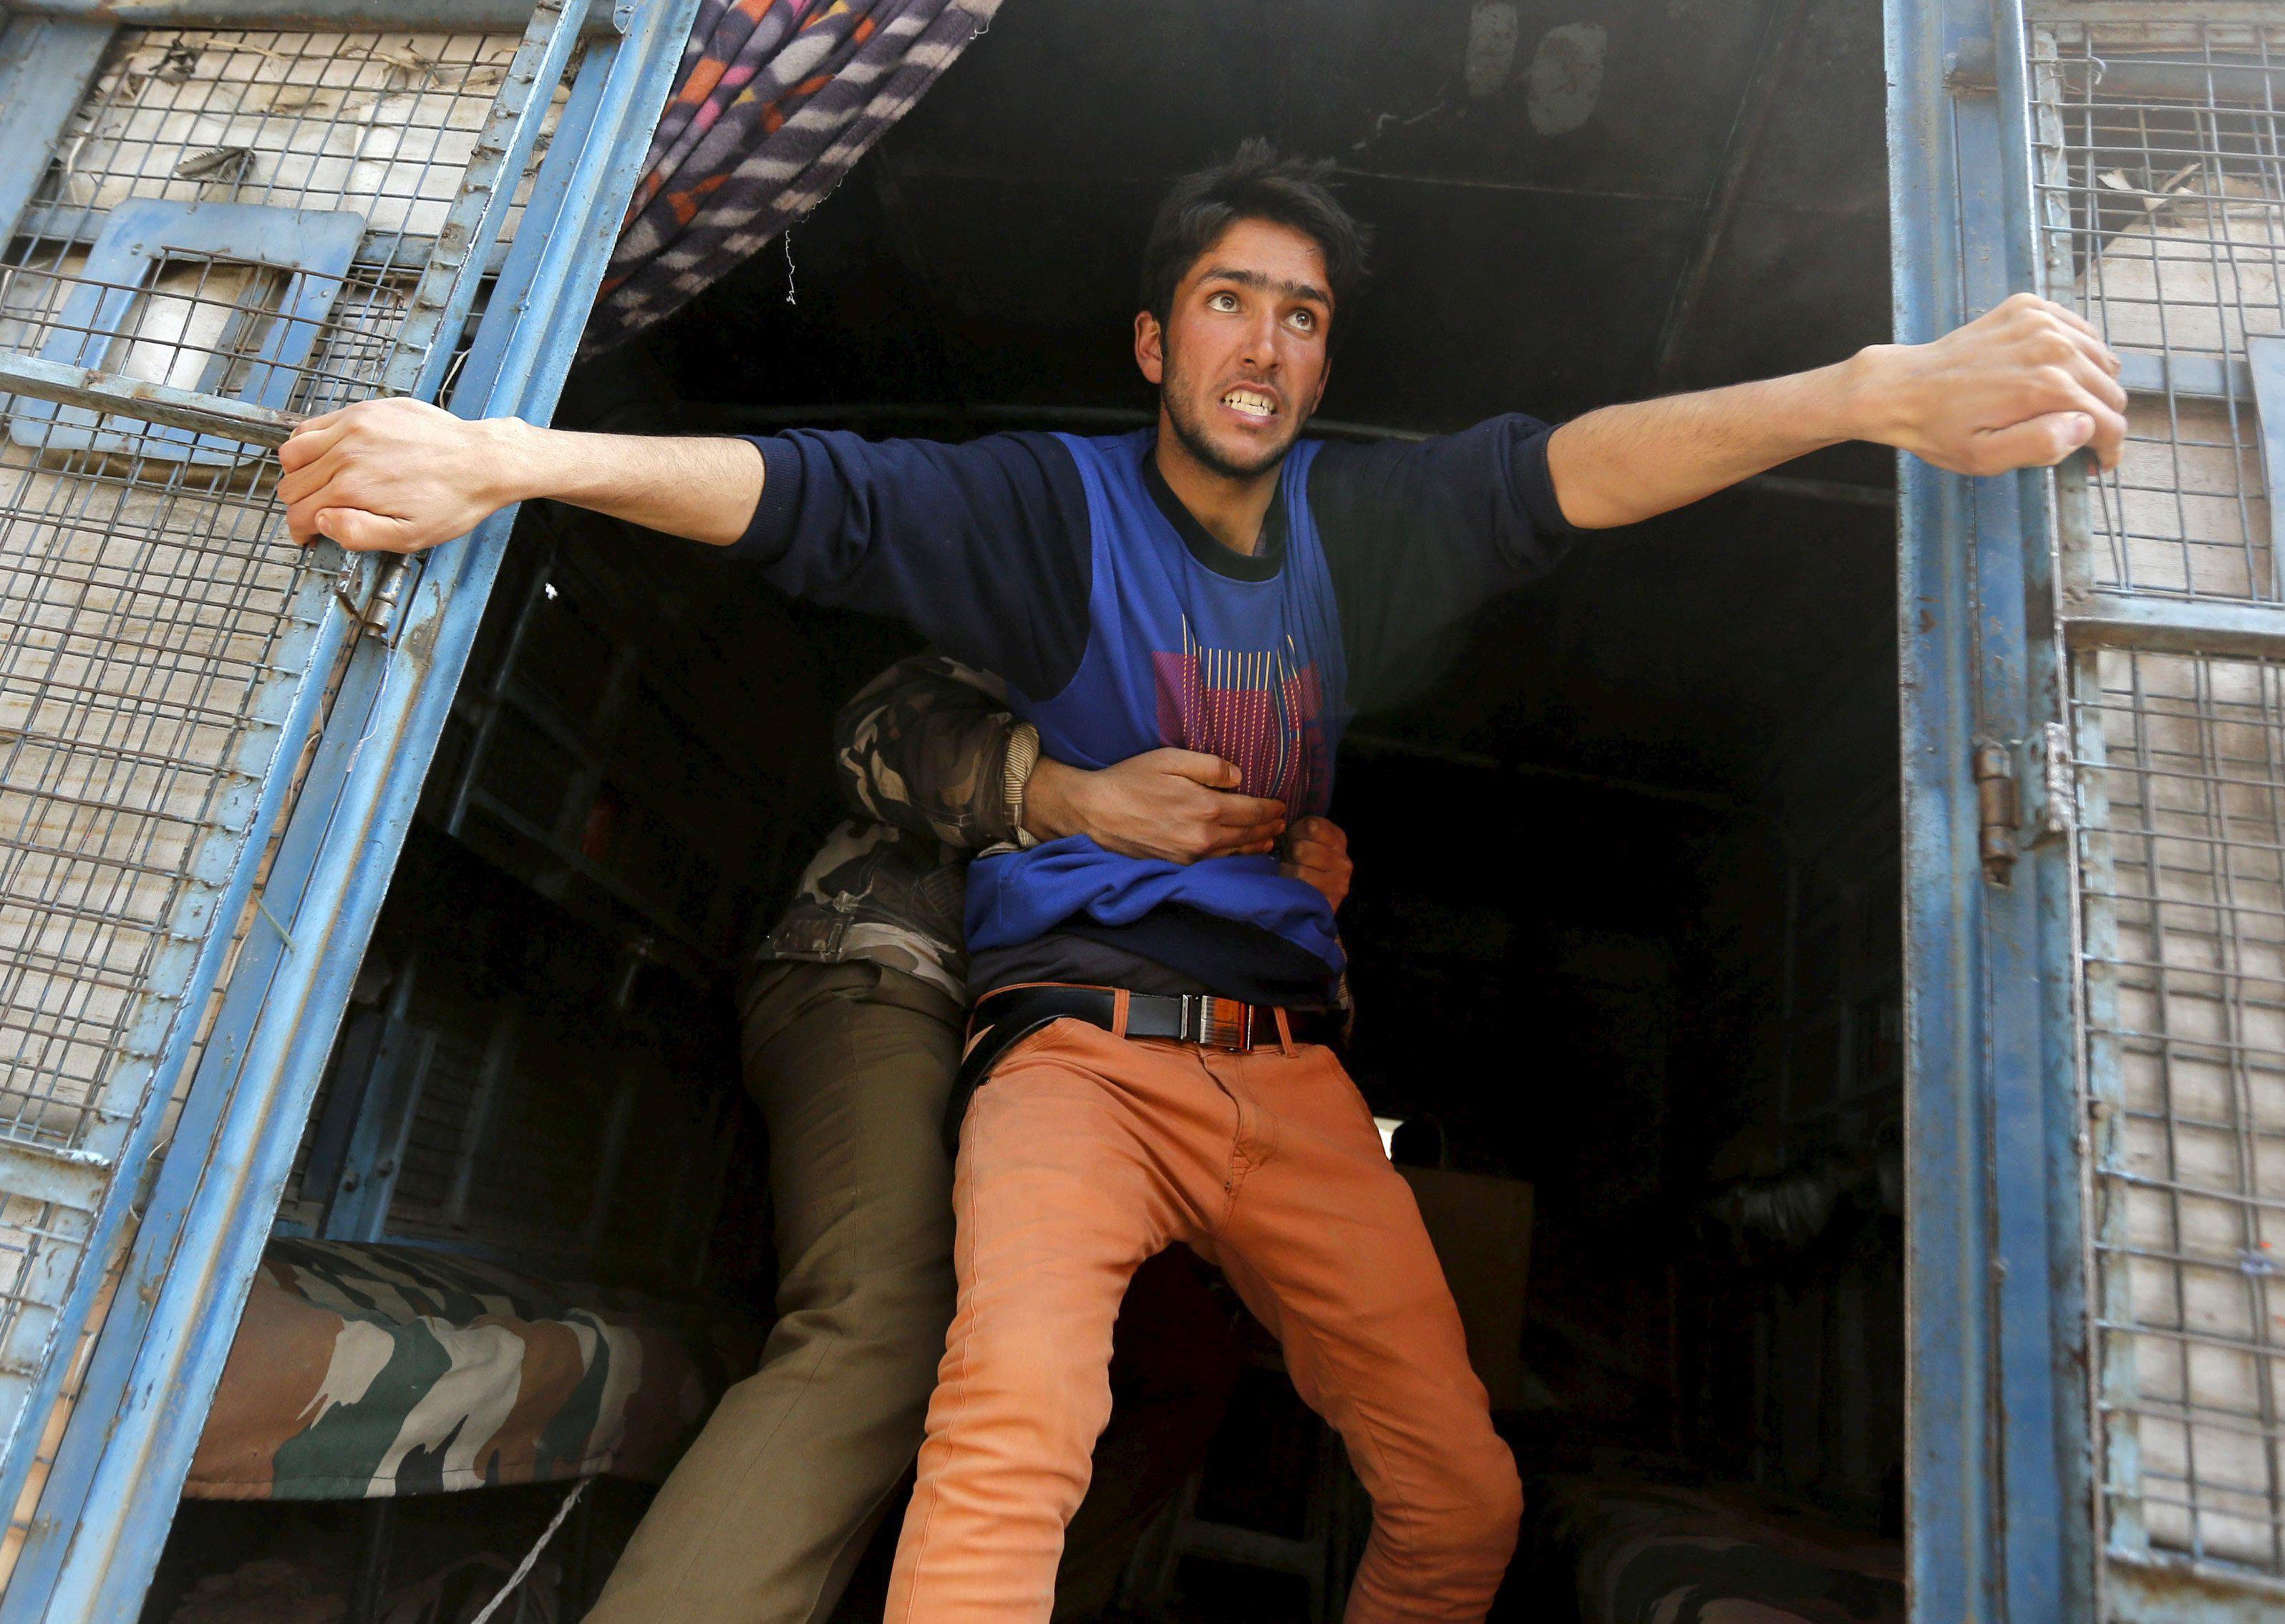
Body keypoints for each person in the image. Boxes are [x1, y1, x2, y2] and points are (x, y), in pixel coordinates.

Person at [276, 141, 2125, 1624]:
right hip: (1065, 1059)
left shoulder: (1360, 534)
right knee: (1005, 1441)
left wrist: (1869, 390)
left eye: (1300, 315)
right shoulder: (1046, 519)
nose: (1263, 342)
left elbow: (1563, 475)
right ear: (1155, 342)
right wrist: (508, 456)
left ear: (1324, 361)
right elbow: (812, 492)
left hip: (1297, 1083)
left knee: (1457, 1494)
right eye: (1225, 301)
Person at [585, 653, 1344, 1623]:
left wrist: (1307, 913)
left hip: (1051, 1077)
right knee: (887, 1322)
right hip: (893, 978)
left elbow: (1263, 1036)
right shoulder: (1087, 608)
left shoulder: (1268, 738)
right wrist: (1066, 796)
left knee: (1179, 1360)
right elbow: (879, 731)